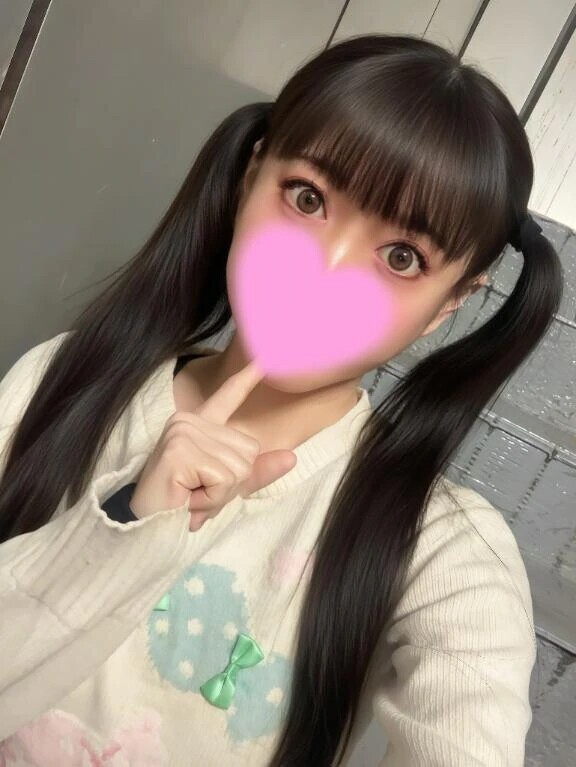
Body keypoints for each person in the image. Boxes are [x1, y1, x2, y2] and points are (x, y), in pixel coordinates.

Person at [0, 33, 563, 767]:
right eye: (307, 198)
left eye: (402, 257)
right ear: (249, 175)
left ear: (449, 303)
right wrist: (126, 525)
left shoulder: (443, 551)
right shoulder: (69, 377)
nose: (325, 269)